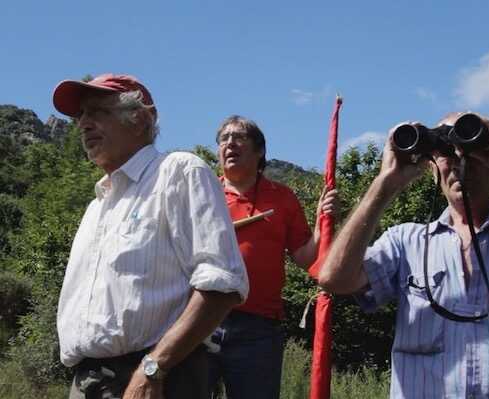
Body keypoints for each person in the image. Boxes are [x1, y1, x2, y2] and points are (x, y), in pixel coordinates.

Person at [318, 113, 489, 398]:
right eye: (443, 153)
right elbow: (335, 279)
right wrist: (384, 183)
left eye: (470, 150)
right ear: (431, 167)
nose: (457, 161)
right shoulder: (405, 242)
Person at [53, 74, 249, 399]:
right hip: (87, 381)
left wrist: (154, 367)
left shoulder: (178, 172)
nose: (84, 124)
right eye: (80, 116)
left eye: (98, 112)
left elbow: (222, 284)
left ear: (141, 119)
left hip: (158, 378)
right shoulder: (96, 208)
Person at [206, 115, 336, 399]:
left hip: (259, 328)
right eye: (224, 139)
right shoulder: (204, 194)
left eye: (239, 137)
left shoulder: (282, 197)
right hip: (200, 320)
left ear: (260, 150)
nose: (230, 143)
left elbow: (304, 257)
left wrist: (320, 223)